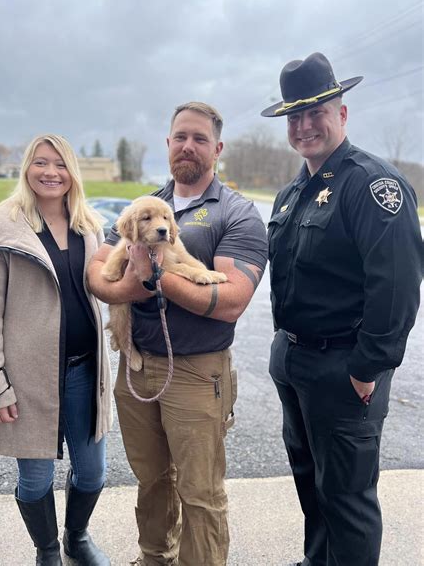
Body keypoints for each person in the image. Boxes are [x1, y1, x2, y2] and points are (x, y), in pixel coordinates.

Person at [87, 101, 268, 566]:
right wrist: (128, 282)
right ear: (168, 145)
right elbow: (96, 272)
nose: (188, 146)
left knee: (199, 490)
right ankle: (154, 557)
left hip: (196, 373)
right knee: (151, 480)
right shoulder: (145, 204)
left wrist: (153, 277)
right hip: (137, 367)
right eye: (180, 137)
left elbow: (231, 300)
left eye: (200, 138)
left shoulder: (238, 214)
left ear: (218, 149)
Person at [261, 52, 422, 566]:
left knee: (348, 496)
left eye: (317, 112)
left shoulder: (373, 185)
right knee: (311, 483)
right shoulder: (292, 193)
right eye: (295, 116)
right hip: (295, 360)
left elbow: (396, 287)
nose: (305, 125)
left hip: (344, 368)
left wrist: (367, 367)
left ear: (342, 113)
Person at [0, 134, 113, 566]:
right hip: (27, 378)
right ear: (27, 170)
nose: (50, 172)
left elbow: (106, 285)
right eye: (40, 163)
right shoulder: (2, 228)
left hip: (86, 371)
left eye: (60, 164)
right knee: (35, 480)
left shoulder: (89, 226)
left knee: (93, 472)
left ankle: (76, 537)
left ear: (72, 173)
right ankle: (47, 549)